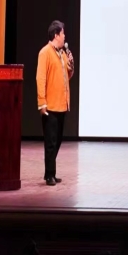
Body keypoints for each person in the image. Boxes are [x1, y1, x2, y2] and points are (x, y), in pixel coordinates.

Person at [36, 20, 74, 186]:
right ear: (56, 35)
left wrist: (71, 65)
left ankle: (51, 172)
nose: (64, 36)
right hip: (50, 106)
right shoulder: (45, 53)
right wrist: (42, 102)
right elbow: (40, 78)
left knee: (57, 141)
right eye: (63, 33)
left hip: (61, 104)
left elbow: (67, 76)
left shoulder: (62, 53)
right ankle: (49, 174)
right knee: (50, 142)